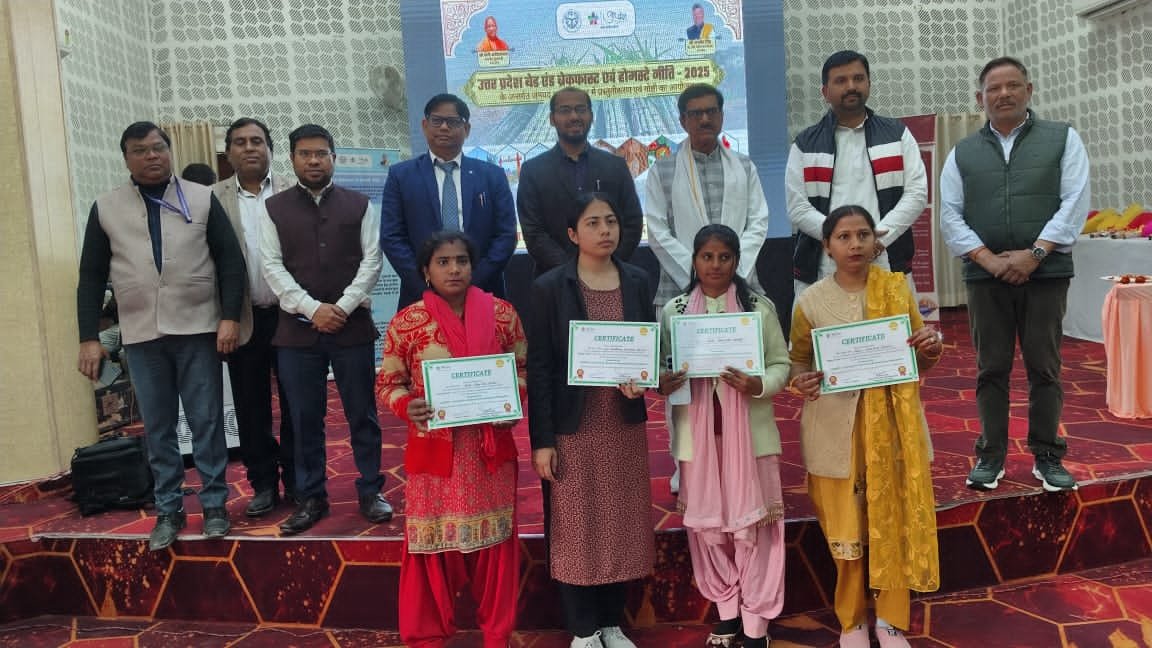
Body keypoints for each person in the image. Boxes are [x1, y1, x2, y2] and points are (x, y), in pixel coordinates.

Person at [76, 121, 246, 551]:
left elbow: (230, 261)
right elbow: (91, 276)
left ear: (169, 151)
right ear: (126, 159)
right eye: (140, 150)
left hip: (198, 329)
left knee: (207, 421)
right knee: (157, 427)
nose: (151, 156)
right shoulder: (106, 207)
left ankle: (214, 505)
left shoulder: (201, 197)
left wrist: (229, 317)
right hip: (141, 333)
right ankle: (168, 509)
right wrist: (88, 338)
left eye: (158, 147)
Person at [789, 205, 942, 648]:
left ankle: (890, 620)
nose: (855, 244)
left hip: (893, 430)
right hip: (835, 430)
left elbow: (918, 359)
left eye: (863, 234)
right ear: (827, 246)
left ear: (876, 241)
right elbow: (799, 360)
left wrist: (930, 346)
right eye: (844, 236)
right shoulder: (810, 301)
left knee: (893, 521)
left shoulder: (895, 290)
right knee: (847, 529)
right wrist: (802, 380)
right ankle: (852, 621)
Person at [939, 56, 1089, 493]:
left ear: (1029, 90)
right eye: (993, 88)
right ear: (980, 98)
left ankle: (1047, 456)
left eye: (1012, 86)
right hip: (985, 278)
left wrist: (1035, 254)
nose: (1003, 94)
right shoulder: (962, 152)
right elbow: (949, 214)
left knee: (1045, 367)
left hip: (1046, 274)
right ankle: (990, 455)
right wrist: (989, 260)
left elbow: (1075, 201)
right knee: (991, 369)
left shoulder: (1062, 138)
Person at [377, 231, 525, 648]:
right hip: (434, 455)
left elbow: (524, 368)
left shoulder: (502, 315)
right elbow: (388, 383)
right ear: (426, 271)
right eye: (443, 262)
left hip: (488, 453)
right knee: (431, 544)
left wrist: (511, 399)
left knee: (494, 544)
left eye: (462, 260)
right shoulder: (407, 323)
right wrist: (407, 406)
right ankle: (427, 636)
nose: (454, 269)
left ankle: (496, 634)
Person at [527, 193, 655, 648]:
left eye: (611, 222)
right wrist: (542, 440)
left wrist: (644, 380)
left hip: (621, 424)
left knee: (620, 522)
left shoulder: (637, 280)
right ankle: (583, 630)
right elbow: (540, 368)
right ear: (572, 233)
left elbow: (647, 347)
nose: (605, 231)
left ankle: (611, 623)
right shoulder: (550, 287)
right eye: (593, 223)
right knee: (577, 526)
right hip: (573, 427)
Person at [657, 224, 789, 648]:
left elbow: (781, 364)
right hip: (697, 441)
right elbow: (663, 367)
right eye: (707, 256)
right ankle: (728, 613)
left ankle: (755, 624)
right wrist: (662, 381)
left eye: (724, 257)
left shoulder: (759, 309)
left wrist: (758, 384)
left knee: (757, 530)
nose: (715, 265)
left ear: (736, 261)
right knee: (708, 531)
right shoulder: (675, 311)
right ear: (694, 261)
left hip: (752, 438)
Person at [260, 123, 393, 534]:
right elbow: (271, 266)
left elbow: (372, 261)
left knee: (362, 414)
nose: (313, 160)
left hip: (351, 328)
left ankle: (370, 490)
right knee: (304, 419)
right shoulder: (274, 208)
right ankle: (311, 497)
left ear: (333, 158)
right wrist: (313, 308)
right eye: (305, 154)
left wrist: (342, 307)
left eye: (321, 153)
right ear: (292, 159)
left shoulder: (359, 204)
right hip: (297, 332)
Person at [645, 82, 769, 493]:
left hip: (739, 285)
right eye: (695, 113)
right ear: (682, 120)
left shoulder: (744, 167)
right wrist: (698, 272)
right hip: (679, 290)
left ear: (721, 116)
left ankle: (740, 458)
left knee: (738, 377)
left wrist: (732, 271)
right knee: (684, 383)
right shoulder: (662, 170)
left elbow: (758, 223)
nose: (704, 119)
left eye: (711, 111)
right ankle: (686, 464)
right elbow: (657, 230)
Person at [786, 50, 927, 299]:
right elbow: (797, 207)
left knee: (893, 326)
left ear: (869, 84)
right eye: (841, 80)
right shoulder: (805, 144)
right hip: (824, 266)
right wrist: (840, 241)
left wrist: (876, 239)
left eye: (858, 78)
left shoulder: (897, 134)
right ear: (825, 92)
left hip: (885, 257)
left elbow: (916, 194)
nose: (851, 86)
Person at [212, 117, 297, 517]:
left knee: (297, 403)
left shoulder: (293, 191)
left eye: (257, 141)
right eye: (241, 142)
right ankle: (263, 482)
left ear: (269, 149)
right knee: (250, 406)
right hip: (242, 319)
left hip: (290, 315)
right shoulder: (211, 199)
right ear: (229, 152)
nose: (250, 148)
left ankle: (297, 478)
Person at [381, 93, 517, 309]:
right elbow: (392, 237)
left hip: (482, 291)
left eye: (453, 122)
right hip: (421, 296)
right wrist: (428, 284)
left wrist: (471, 281)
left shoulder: (492, 175)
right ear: (425, 126)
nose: (444, 127)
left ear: (467, 129)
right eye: (437, 121)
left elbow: (506, 235)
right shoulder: (401, 176)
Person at [517, 86, 644, 276]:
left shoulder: (615, 166)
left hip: (612, 277)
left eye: (581, 109)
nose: (574, 116)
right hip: (555, 281)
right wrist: (574, 272)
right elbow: (533, 232)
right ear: (552, 119)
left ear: (591, 116)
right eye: (565, 110)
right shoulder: (533, 170)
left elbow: (632, 223)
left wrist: (605, 265)